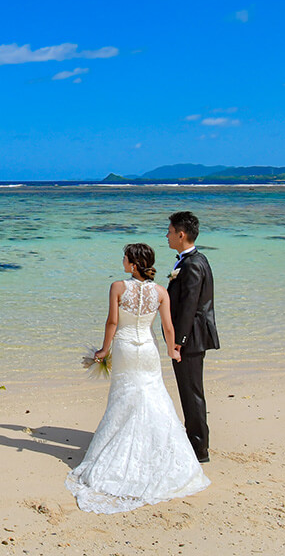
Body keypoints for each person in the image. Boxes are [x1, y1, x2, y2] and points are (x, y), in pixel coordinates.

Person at [66, 243, 210, 514]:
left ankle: (118, 452)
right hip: (147, 349)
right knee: (153, 395)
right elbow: (168, 327)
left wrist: (103, 350)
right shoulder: (160, 292)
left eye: (125, 258)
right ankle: (160, 453)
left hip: (124, 347)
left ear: (133, 264)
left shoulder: (118, 287)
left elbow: (112, 322)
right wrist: (172, 351)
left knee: (124, 397)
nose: (122, 261)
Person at [165, 210, 220, 463]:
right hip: (192, 336)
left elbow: (189, 305)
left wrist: (179, 340)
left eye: (169, 231)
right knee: (190, 391)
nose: (167, 236)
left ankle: (199, 448)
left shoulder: (193, 264)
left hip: (191, 338)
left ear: (181, 234)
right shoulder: (193, 260)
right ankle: (196, 442)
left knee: (191, 392)